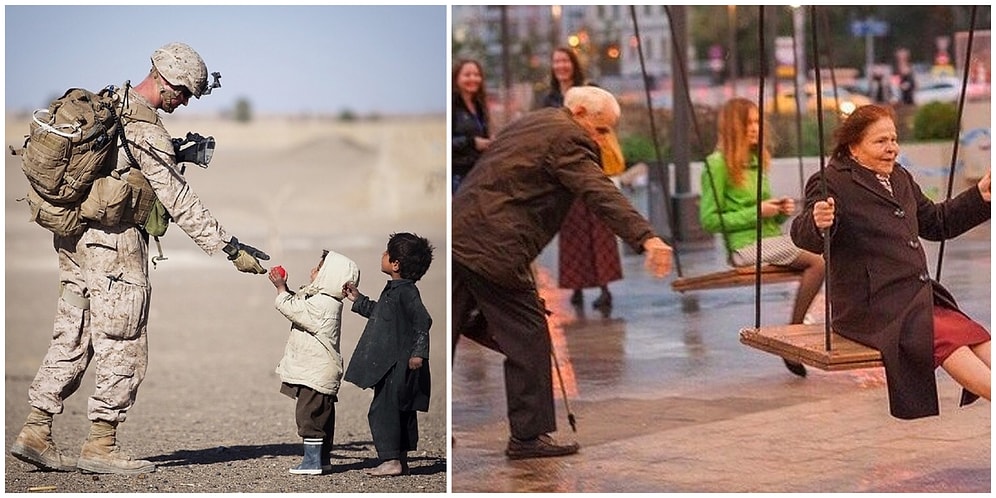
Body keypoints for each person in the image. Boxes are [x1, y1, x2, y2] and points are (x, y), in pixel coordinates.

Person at [9, 42, 270, 475]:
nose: (184, 102)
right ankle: (101, 445)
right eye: (184, 93)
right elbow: (179, 199)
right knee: (123, 340)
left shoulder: (111, 102)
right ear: (165, 80)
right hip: (113, 246)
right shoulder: (145, 128)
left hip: (74, 238)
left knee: (72, 331)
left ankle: (36, 430)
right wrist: (229, 246)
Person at [452, 85, 673, 459]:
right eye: (602, 129)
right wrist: (647, 238)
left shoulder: (534, 121)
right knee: (530, 333)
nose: (603, 139)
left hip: (461, 229)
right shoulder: (569, 137)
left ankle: (415, 425)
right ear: (582, 112)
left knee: (442, 332)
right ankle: (528, 437)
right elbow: (599, 191)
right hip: (495, 245)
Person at [791, 104, 991, 420]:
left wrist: (979, 196)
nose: (891, 148)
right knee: (947, 341)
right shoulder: (831, 182)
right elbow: (806, 236)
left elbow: (937, 223)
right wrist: (818, 221)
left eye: (894, 139)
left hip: (913, 298)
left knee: (976, 337)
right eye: (880, 141)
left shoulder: (899, 178)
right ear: (853, 146)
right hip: (871, 306)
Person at [698, 98, 825, 378]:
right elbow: (709, 220)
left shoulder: (757, 162)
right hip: (744, 246)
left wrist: (778, 211)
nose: (755, 128)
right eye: (748, 123)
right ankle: (793, 335)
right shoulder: (717, 164)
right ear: (733, 128)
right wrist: (758, 210)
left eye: (757, 122)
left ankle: (804, 333)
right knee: (818, 262)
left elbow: (763, 215)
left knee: (828, 248)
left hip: (768, 240)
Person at [343, 233, 434, 477]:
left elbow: (422, 321)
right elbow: (381, 315)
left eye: (386, 253)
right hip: (390, 364)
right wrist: (358, 299)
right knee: (397, 409)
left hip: (398, 365)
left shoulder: (406, 293)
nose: (382, 255)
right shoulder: (394, 290)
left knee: (384, 411)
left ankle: (391, 460)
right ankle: (399, 460)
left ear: (395, 264)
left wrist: (418, 353)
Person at [541, 47, 624, 311]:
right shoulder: (550, 99)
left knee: (600, 229)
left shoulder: (591, 92)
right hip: (565, 173)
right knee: (573, 230)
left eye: (565, 60)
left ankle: (604, 287)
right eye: (557, 61)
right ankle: (576, 286)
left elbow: (607, 121)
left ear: (573, 64)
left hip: (592, 167)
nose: (561, 65)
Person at [267, 250, 360, 475]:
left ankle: (312, 462)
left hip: (316, 373)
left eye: (319, 269)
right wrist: (286, 288)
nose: (313, 271)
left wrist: (280, 289)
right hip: (319, 371)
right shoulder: (323, 300)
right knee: (322, 417)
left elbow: (292, 309)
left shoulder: (324, 304)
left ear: (330, 276)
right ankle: (323, 460)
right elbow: (299, 303)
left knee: (309, 416)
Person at [452, 59, 492, 193]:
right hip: (458, 175)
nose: (473, 79)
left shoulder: (479, 105)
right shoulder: (452, 106)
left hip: (477, 173)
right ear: (456, 78)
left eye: (476, 75)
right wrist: (472, 142)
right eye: (467, 75)